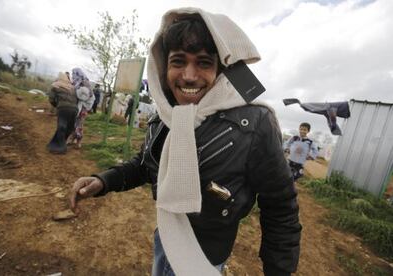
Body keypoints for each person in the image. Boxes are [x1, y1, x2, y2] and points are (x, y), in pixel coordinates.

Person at [70, 8, 301, 276]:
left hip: (203, 261)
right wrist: (104, 180)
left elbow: (281, 206)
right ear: (163, 66)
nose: (189, 76)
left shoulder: (254, 122)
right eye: (178, 61)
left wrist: (279, 270)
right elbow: (147, 165)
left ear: (220, 70)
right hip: (165, 240)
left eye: (203, 62)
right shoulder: (165, 116)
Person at [47, 72, 78, 154]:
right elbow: (76, 99)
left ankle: (61, 147)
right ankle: (55, 144)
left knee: (62, 127)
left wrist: (57, 105)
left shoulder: (55, 85)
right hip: (74, 109)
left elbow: (51, 99)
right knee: (69, 128)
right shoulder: (72, 87)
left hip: (63, 109)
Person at [67, 68, 95, 149]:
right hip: (76, 106)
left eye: (74, 74)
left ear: (78, 74)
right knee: (73, 123)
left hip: (83, 107)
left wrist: (78, 94)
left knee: (79, 124)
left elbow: (88, 95)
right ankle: (72, 138)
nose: (73, 75)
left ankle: (78, 141)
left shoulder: (85, 82)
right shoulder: (75, 82)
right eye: (73, 74)